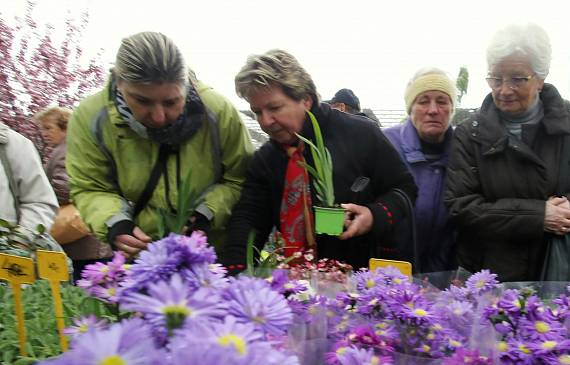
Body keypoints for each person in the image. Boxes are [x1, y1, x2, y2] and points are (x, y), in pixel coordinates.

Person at [223, 49, 418, 272]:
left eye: (274, 108)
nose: (265, 121)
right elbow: (249, 219)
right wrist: (234, 276)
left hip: (362, 285)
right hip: (300, 288)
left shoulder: (360, 134)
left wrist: (374, 215)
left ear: (305, 99)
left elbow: (404, 188)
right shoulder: (266, 159)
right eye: (257, 111)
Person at [67, 31, 253, 258]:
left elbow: (240, 178)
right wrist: (114, 222)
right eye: (142, 101)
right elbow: (90, 187)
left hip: (210, 256)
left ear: (186, 85)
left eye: (171, 102)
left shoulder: (218, 113)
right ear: (119, 83)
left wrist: (207, 214)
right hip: (143, 256)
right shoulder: (91, 119)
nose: (159, 117)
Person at [445, 23, 570, 282]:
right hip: (489, 275)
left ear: (541, 78)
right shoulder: (469, 133)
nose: (504, 89)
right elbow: (461, 206)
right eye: (495, 78)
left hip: (557, 270)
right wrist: (539, 216)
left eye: (517, 78)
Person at [383, 68, 458, 273]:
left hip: (444, 278)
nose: (433, 110)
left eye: (442, 101)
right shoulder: (384, 144)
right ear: (410, 108)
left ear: (452, 109)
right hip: (390, 277)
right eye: (423, 101)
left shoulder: (465, 151)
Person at [33, 107, 112, 278]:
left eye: (48, 128)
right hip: (86, 236)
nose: (43, 133)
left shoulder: (66, 150)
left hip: (81, 238)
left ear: (65, 127)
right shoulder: (75, 147)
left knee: (88, 289)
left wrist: (36, 197)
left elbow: (65, 188)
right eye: (42, 128)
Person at [0, 121, 58, 232]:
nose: (44, 133)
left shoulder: (14, 145)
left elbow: (39, 201)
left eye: (48, 128)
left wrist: (20, 244)